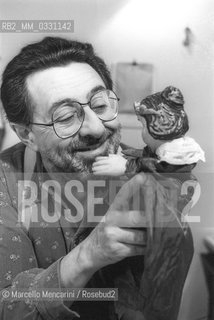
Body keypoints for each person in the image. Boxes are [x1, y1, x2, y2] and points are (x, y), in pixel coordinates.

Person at [0, 37, 193, 320]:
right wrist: (90, 253)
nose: (96, 128)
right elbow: (7, 306)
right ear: (27, 134)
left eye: (100, 105)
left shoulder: (146, 170)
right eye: (66, 116)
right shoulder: (7, 181)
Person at [92, 86, 205, 177]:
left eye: (143, 126)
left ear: (158, 127)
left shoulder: (176, 155)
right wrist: (131, 151)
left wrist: (126, 166)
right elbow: (149, 158)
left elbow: (155, 167)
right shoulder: (166, 148)